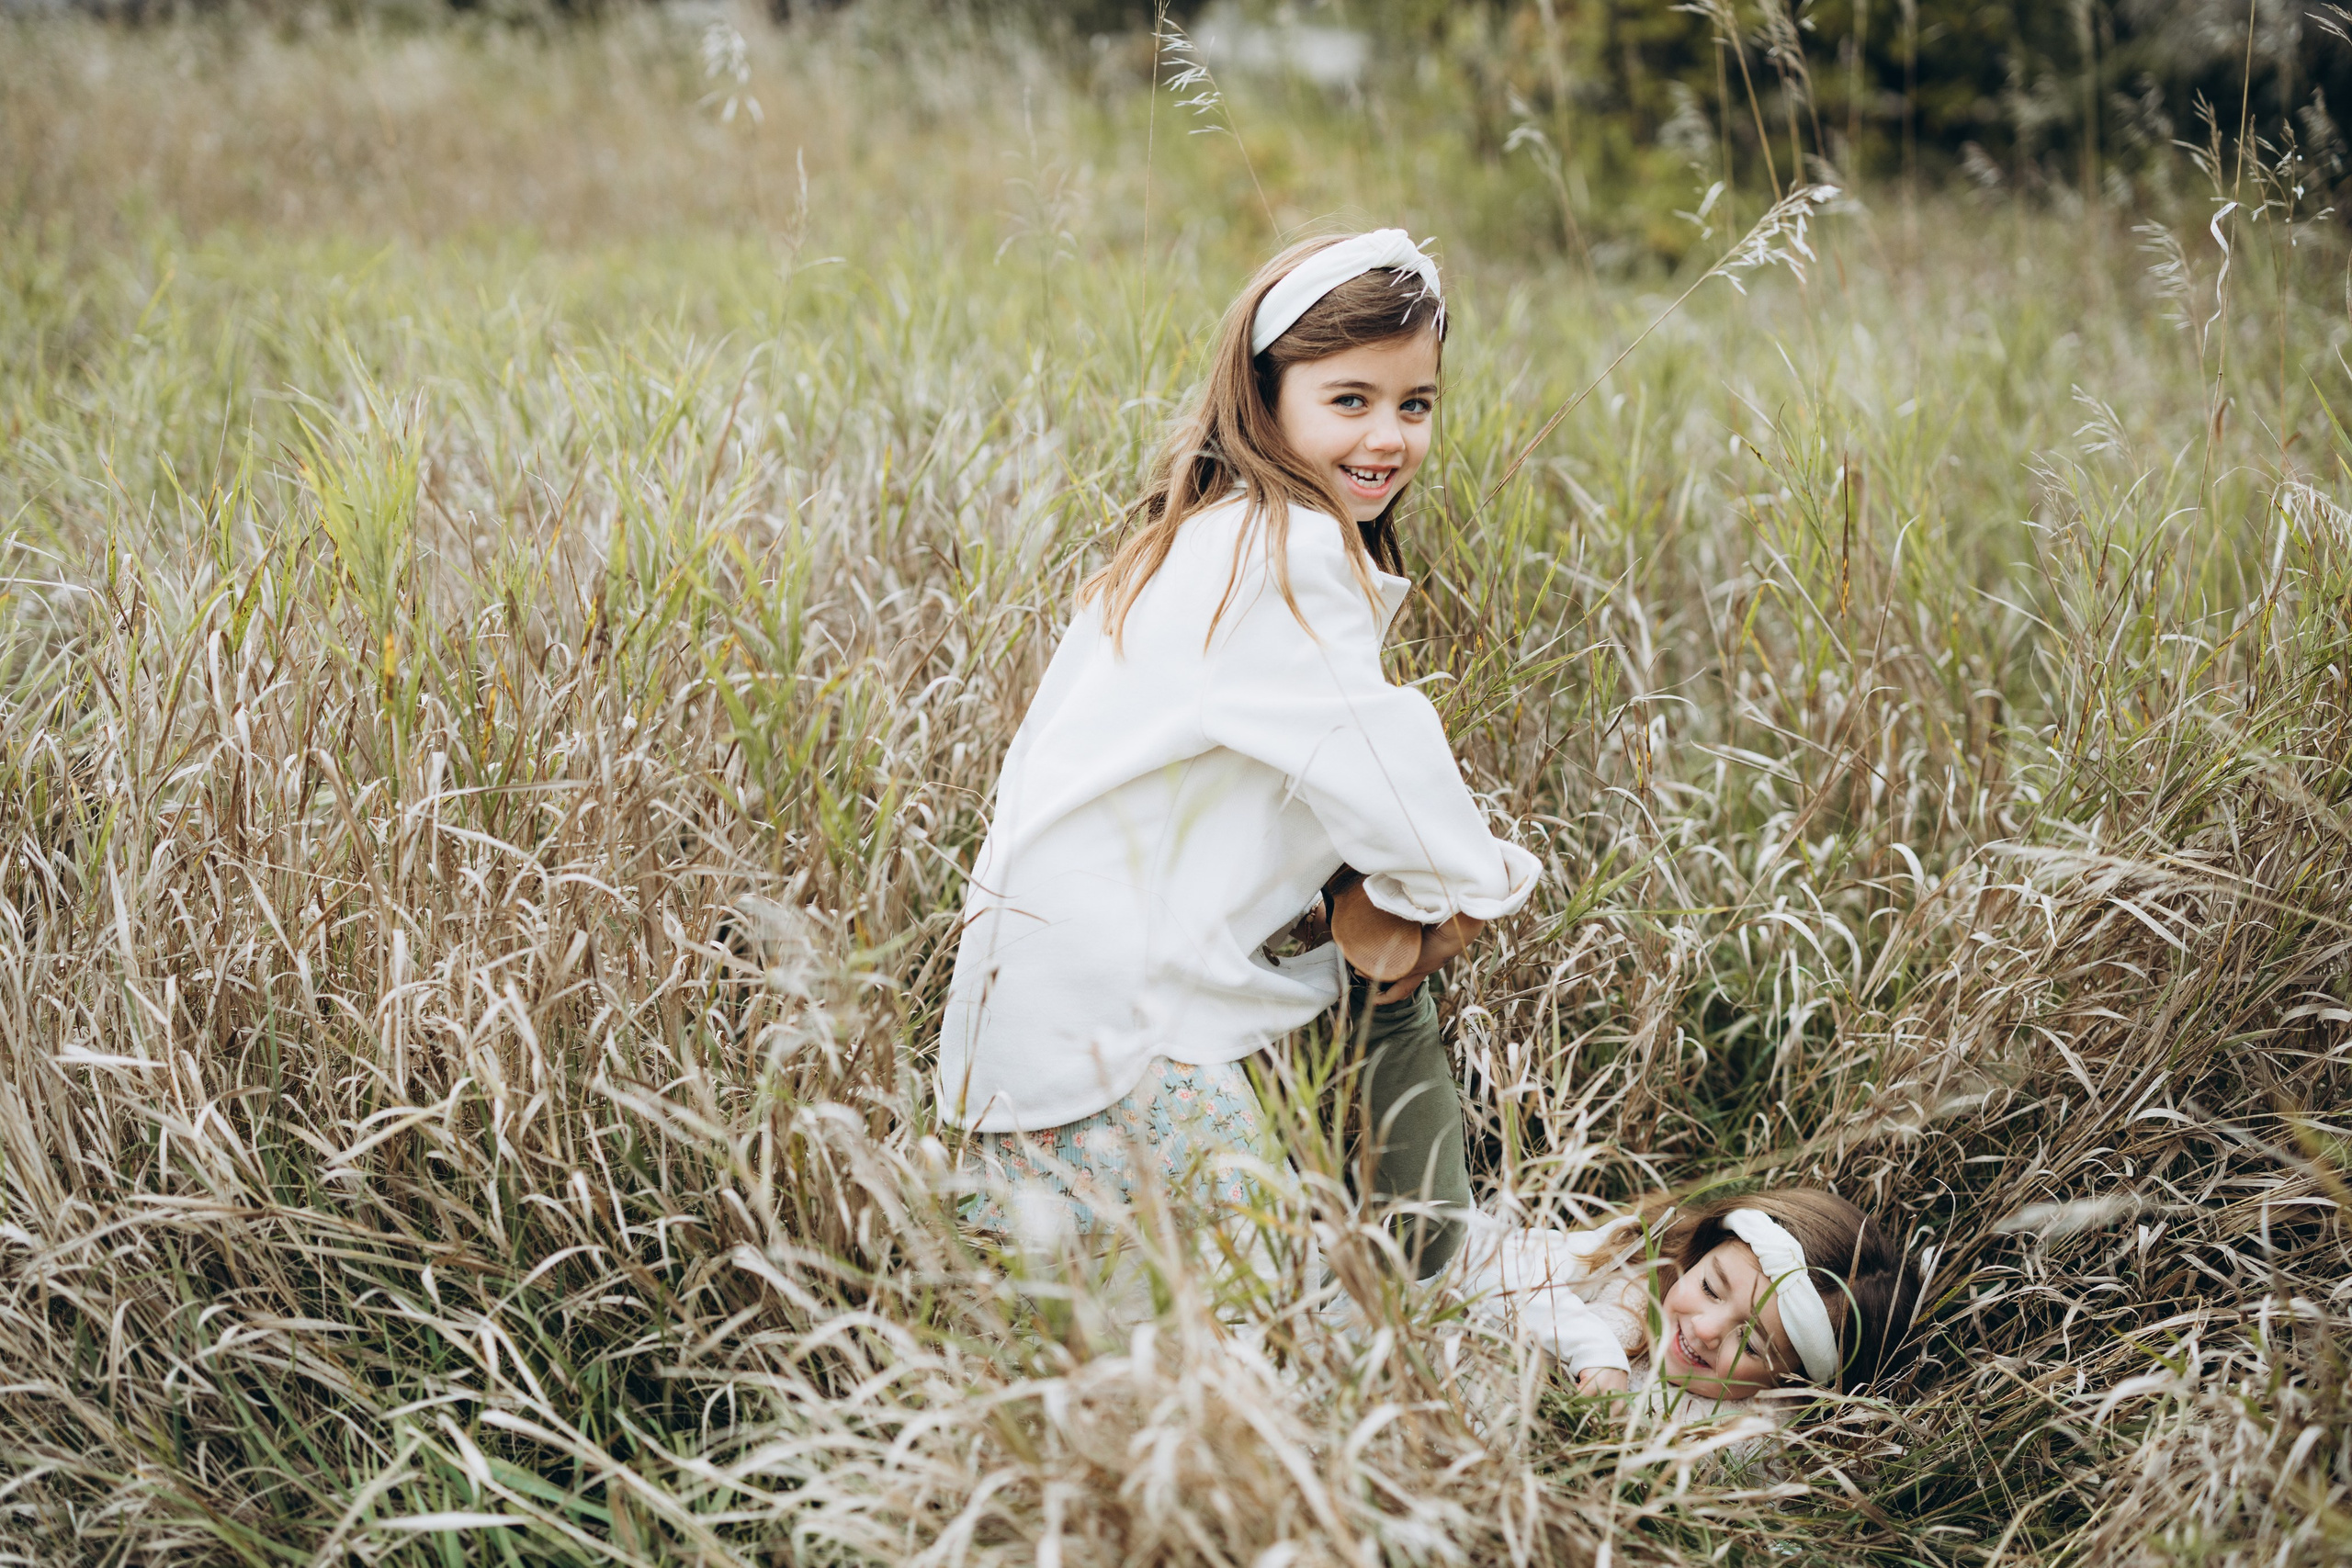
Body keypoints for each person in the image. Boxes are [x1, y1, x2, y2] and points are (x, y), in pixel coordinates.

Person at [940, 230, 1541, 1274]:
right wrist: (1461, 891)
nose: (1388, 437)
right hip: (1117, 1034)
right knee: (1235, 1370)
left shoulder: (1211, 533)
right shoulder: (1284, 554)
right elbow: (1392, 773)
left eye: (1415, 404)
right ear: (1264, 399)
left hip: (1040, 1011)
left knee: (1118, 1358)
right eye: (1348, 400)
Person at [1461, 1188, 1924, 1418]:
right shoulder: (1629, 1260)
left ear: (1790, 1383)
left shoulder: (1740, 1452)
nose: (1705, 1331)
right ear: (1701, 1252)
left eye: (1752, 1346)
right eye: (1709, 1288)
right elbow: (1484, 1265)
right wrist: (1595, 1352)